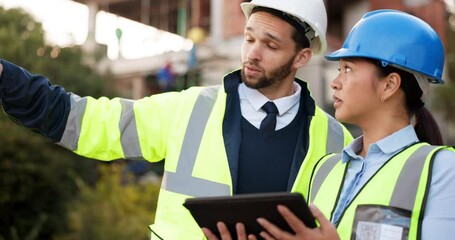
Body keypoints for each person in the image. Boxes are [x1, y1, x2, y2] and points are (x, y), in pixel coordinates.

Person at [0, 0, 353, 239]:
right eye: (249, 39)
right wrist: (7, 79)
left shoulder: (337, 142)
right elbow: (88, 120)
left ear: (301, 57)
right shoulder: (190, 108)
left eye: (271, 45)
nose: (253, 54)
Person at [219, 9, 455, 240]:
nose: (335, 82)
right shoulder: (326, 169)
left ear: (389, 85)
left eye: (348, 69)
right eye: (338, 69)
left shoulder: (444, 170)